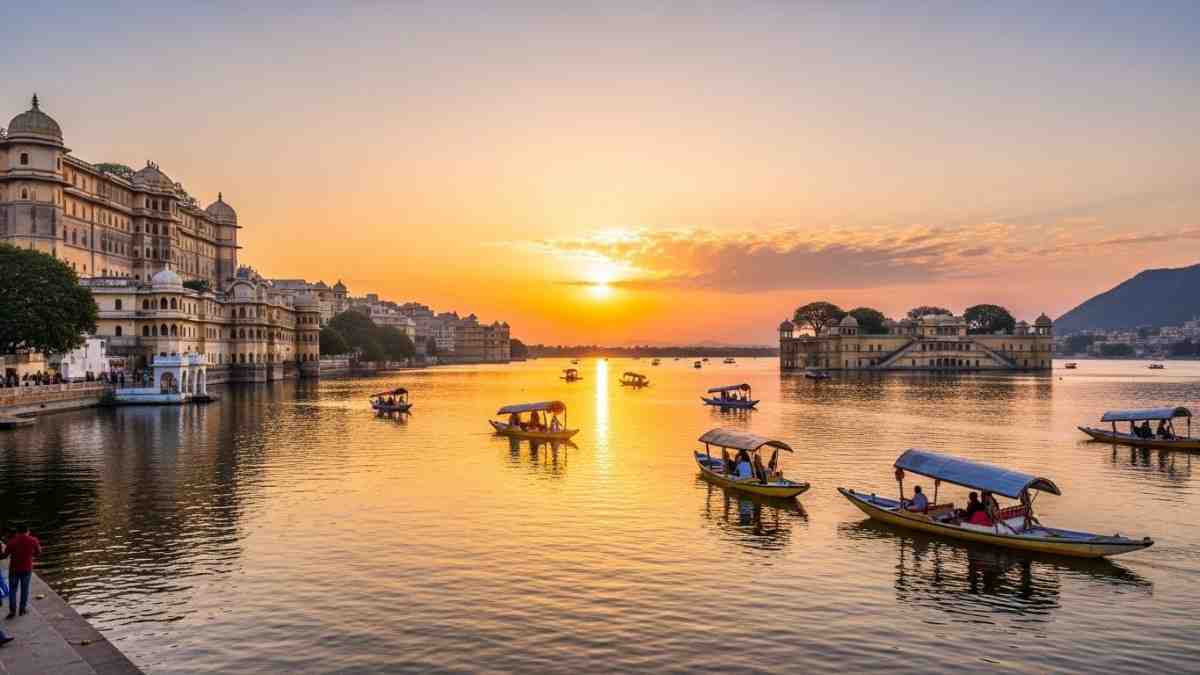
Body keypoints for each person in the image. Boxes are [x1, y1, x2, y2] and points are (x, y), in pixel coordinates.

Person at [6, 525, 41, 618]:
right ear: (28, 531)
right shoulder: (33, 540)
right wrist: (30, 554)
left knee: (12, 591)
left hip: (13, 570)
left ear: (17, 532)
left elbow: (4, 555)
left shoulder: (11, 542)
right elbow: (38, 552)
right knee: (25, 590)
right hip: (26, 569)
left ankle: (12, 611)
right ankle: (22, 610)